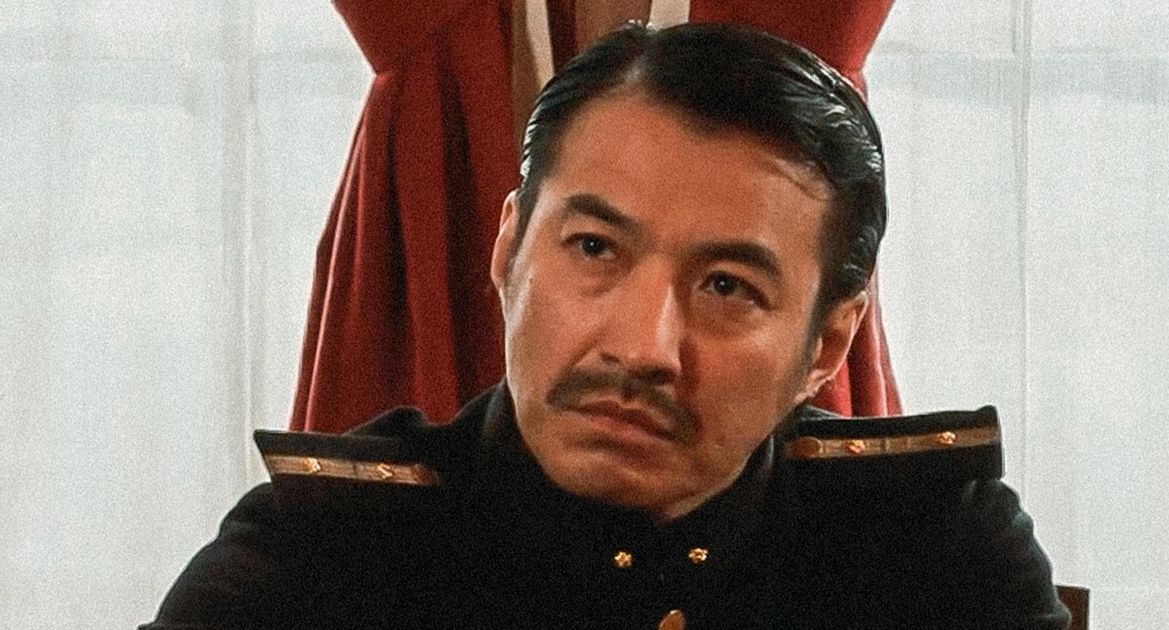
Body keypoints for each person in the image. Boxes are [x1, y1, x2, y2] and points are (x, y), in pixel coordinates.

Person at [143, 22, 1069, 629]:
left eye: (727, 286)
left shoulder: (937, 556)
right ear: (509, 248)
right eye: (594, 249)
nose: (641, 347)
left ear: (825, 345)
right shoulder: (318, 561)